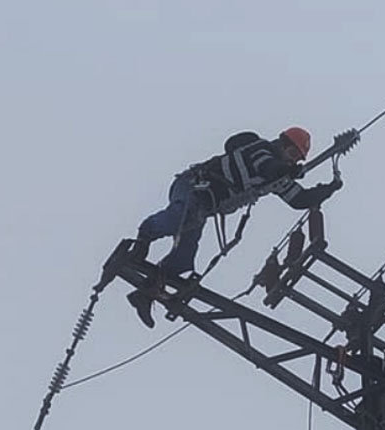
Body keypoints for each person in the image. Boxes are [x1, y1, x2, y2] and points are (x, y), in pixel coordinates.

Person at [125, 126, 344, 328]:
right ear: (281, 144)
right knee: (178, 217)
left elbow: (299, 200)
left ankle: (144, 294)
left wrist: (330, 188)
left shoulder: (278, 175)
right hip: (192, 186)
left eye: (296, 158)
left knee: (184, 257)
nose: (292, 161)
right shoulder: (260, 150)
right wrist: (289, 171)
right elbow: (269, 167)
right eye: (292, 154)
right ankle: (145, 235)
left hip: (204, 205)